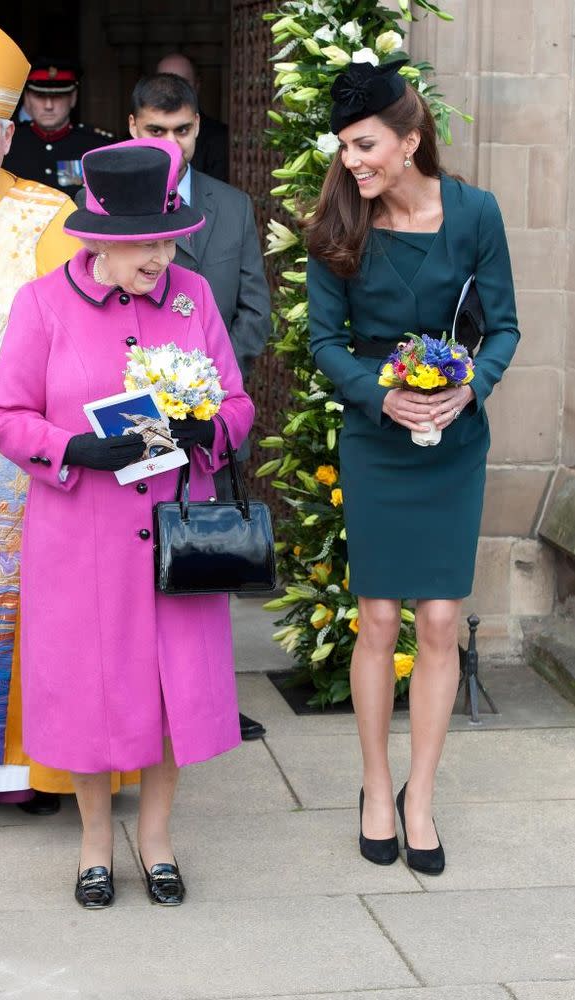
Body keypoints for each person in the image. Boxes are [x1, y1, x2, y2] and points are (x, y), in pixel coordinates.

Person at [0, 137, 255, 908]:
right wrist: (72, 446)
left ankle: (157, 840)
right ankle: (96, 843)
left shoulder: (192, 298)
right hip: (81, 539)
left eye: (169, 238)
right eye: (146, 243)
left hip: (174, 532)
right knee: (93, 691)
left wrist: (212, 430)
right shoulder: (41, 305)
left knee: (170, 692)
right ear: (101, 239)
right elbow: (2, 417)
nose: (161, 255)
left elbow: (236, 402)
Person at [0, 3, 135, 825]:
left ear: (12, 136)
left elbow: (92, 325)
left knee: (24, 598)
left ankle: (25, 772)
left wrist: (2, 315)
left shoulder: (49, 218)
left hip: (19, 453)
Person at [305, 60, 519, 875]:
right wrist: (377, 397)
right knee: (380, 619)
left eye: (364, 146)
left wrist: (468, 393)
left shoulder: (474, 214)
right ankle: (372, 786)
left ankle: (418, 797)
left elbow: (501, 328)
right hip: (375, 437)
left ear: (410, 137)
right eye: (345, 148)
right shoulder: (337, 221)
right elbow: (324, 341)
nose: (352, 161)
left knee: (436, 621)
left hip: (453, 442)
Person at [128, 72, 271, 741]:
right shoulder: (104, 205)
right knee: (131, 571)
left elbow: (254, 310)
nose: (170, 144)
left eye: (181, 130)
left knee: (205, 564)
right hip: (130, 424)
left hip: (205, 420)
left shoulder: (232, 206)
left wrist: (207, 388)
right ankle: (139, 700)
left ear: (197, 128)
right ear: (134, 129)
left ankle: (209, 698)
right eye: (155, 131)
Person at [3, 58, 114, 199]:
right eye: (39, 96)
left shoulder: (97, 146)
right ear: (27, 98)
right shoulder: (8, 142)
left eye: (57, 97)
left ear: (73, 97)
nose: (48, 105)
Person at [155, 53, 229, 182]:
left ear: (197, 85)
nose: (172, 92)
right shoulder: (135, 135)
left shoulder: (220, 138)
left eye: (182, 83)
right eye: (164, 83)